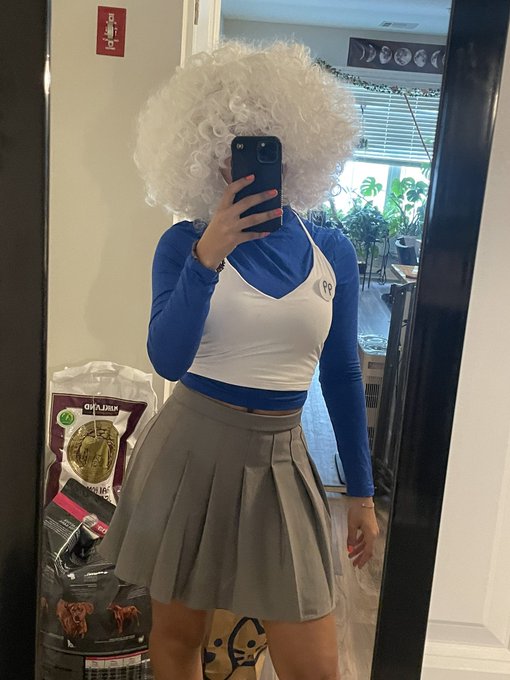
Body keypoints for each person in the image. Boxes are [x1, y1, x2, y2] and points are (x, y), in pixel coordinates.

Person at [98, 40, 380, 680]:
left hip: (282, 459)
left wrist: (362, 493)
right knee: (178, 641)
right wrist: (208, 254)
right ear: (206, 155)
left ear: (298, 150)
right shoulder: (182, 244)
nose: (244, 164)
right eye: (231, 147)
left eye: (265, 146)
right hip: (189, 453)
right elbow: (167, 360)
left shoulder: (331, 250)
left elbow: (341, 373)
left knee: (316, 663)